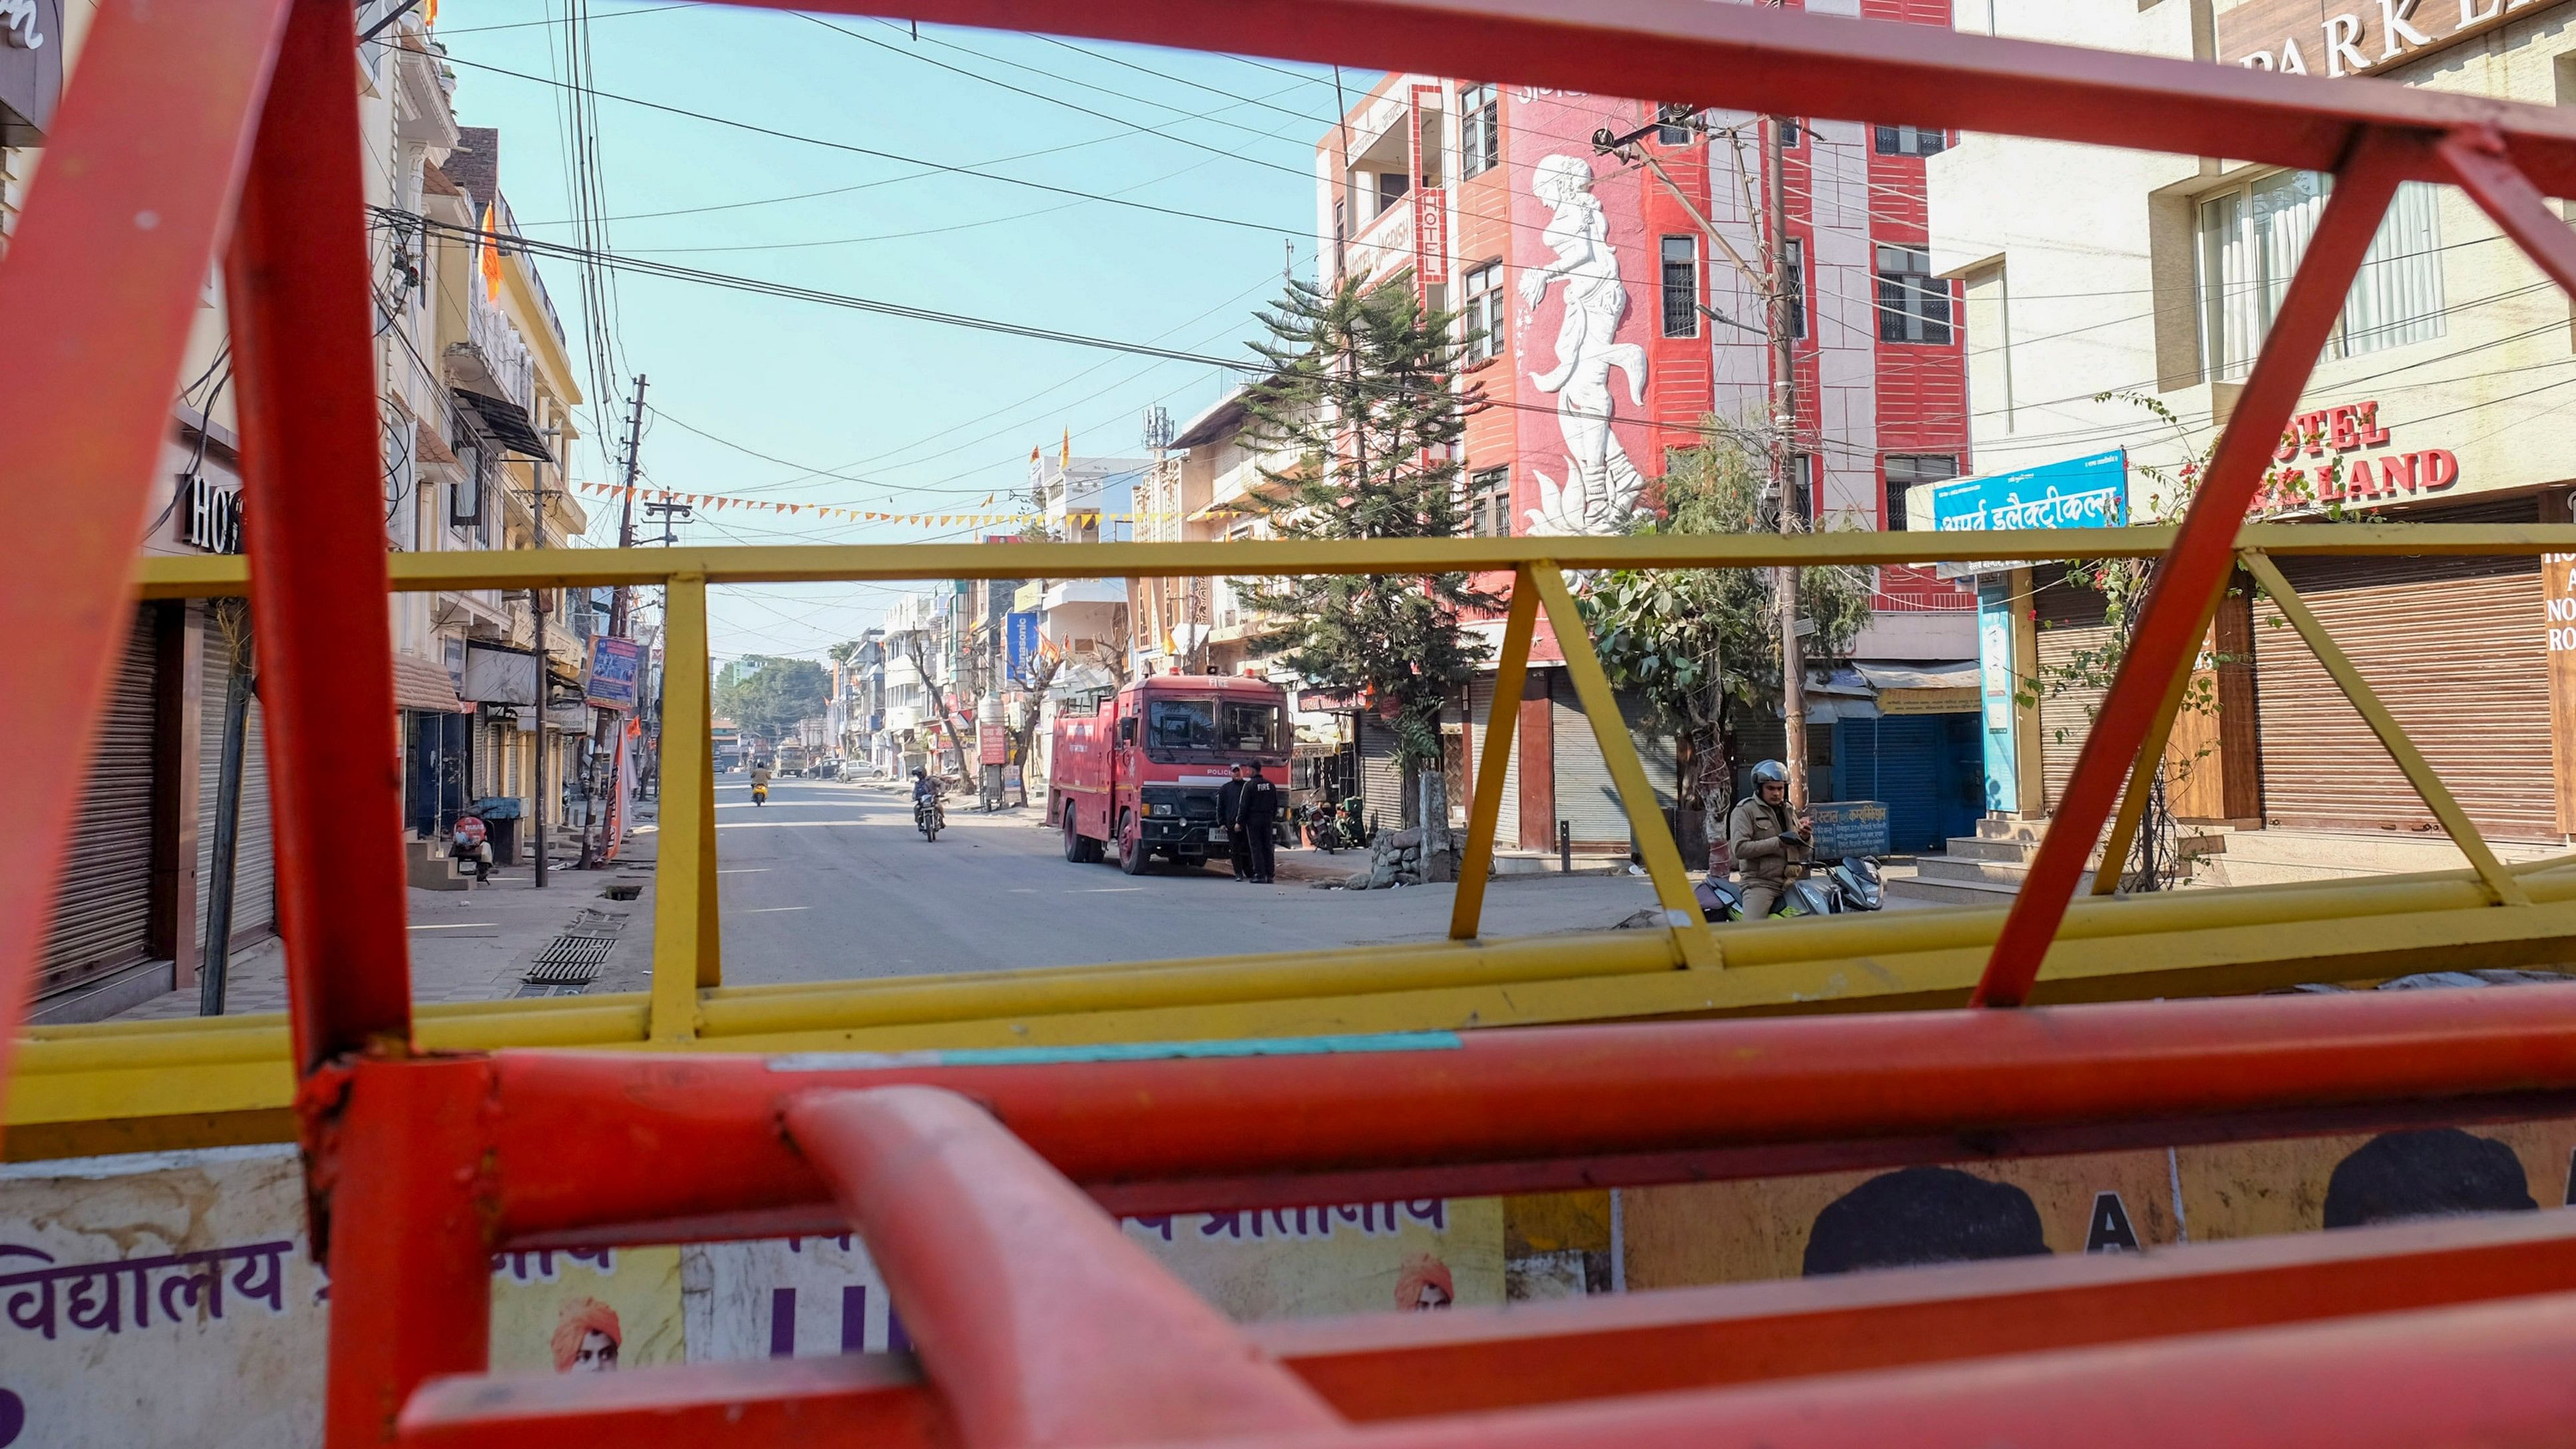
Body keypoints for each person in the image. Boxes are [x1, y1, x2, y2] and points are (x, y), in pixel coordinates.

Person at [1726, 759, 1810, 921]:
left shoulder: (1788, 810)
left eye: (1780, 788)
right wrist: (1779, 842)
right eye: (1770, 788)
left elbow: (1803, 851)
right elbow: (1739, 849)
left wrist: (1806, 837)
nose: (1776, 793)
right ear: (1759, 788)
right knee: (1753, 934)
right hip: (1760, 885)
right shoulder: (1745, 810)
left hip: (1792, 882)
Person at [1242, 764, 1281, 883]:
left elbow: (1244, 806)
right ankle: (1270, 876)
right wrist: (1272, 817)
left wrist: (1240, 821)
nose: (1248, 772)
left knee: (1256, 847)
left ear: (1253, 770)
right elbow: (1276, 804)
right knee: (1268, 846)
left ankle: (1259, 875)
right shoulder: (1270, 785)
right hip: (1267, 819)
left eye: (1249, 770)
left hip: (1254, 820)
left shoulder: (1249, 786)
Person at [1218, 763, 1252, 881]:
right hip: (1232, 824)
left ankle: (1251, 871)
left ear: (1242, 772)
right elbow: (1220, 807)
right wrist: (1221, 823)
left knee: (1249, 849)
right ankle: (1238, 873)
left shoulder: (1248, 786)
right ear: (1230, 773)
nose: (1236, 773)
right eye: (1234, 771)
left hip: (1247, 824)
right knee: (1234, 850)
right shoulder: (1225, 788)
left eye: (1238, 771)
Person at [451, 810, 492, 882]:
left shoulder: (461, 831)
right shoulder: (465, 833)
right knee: (486, 846)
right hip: (468, 845)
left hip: (462, 846)